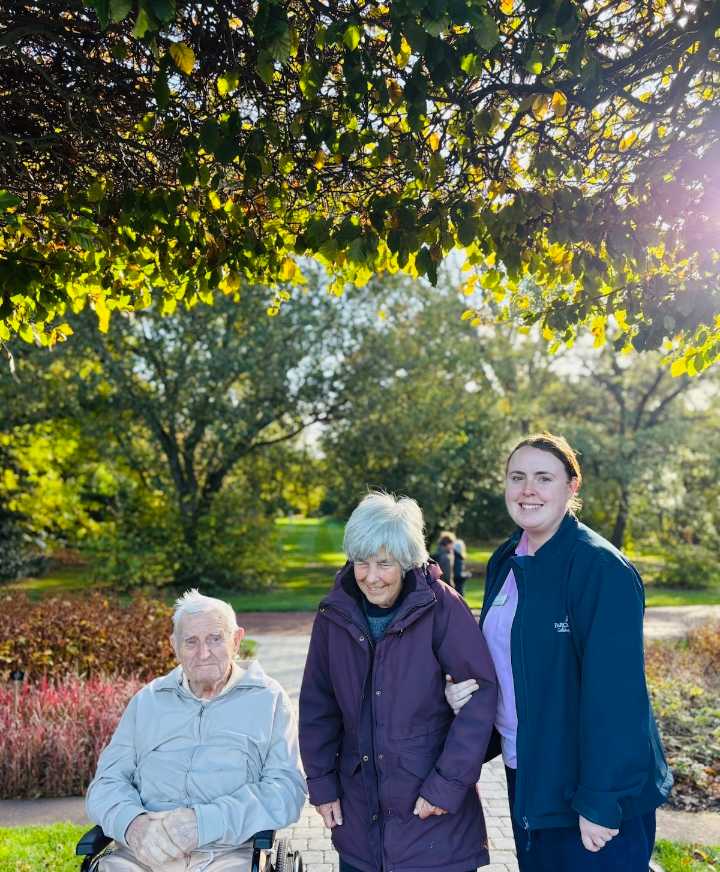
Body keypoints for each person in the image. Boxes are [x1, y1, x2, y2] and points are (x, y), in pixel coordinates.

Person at [445, 433, 672, 871]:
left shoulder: (601, 570)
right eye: (517, 477)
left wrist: (603, 801)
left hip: (589, 790)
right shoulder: (505, 559)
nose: (528, 489)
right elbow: (502, 661)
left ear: (572, 487)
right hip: (528, 771)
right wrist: (464, 695)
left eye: (543, 477)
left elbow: (618, 697)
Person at [299, 492, 498, 872]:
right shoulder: (334, 614)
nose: (370, 577)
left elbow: (480, 697)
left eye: (384, 563)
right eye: (361, 562)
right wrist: (322, 786)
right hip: (360, 823)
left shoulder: (441, 607)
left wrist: (446, 787)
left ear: (406, 560)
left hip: (432, 821)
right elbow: (316, 707)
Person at [86, 590, 307, 872]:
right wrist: (132, 824)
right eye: (191, 642)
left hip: (227, 854)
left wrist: (203, 822)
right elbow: (106, 784)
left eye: (215, 639)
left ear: (236, 640)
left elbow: (286, 791)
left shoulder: (269, 699)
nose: (204, 653)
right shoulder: (148, 701)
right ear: (174, 646)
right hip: (142, 854)